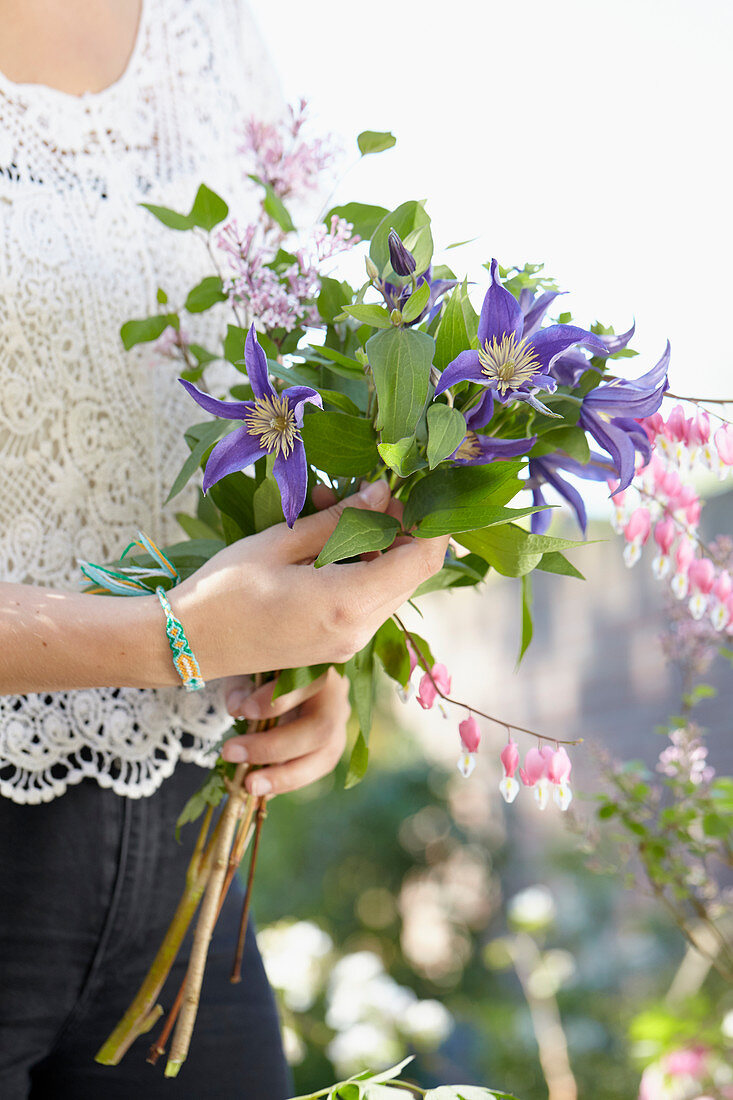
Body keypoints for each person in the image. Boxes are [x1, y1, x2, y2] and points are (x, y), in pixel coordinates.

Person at [0, 1, 449, 1096]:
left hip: (193, 847)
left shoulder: (209, 35)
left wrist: (291, 649)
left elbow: (242, 395)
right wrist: (171, 636)